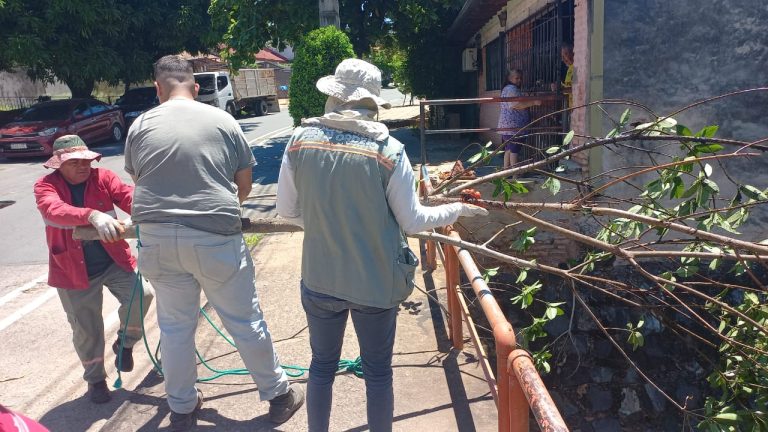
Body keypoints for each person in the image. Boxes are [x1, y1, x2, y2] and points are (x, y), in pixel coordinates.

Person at [276, 58, 488, 432]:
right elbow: (412, 221)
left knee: (321, 368)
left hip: (320, 279)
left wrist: (329, 226)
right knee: (377, 374)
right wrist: (458, 210)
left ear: (333, 95)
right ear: (371, 101)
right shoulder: (387, 151)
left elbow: (287, 211)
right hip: (373, 283)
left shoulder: (298, 141)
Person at [124, 55, 304, 431]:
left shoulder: (140, 125)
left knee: (174, 328)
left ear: (158, 89)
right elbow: (244, 185)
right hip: (213, 239)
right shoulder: (222, 120)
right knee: (243, 319)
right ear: (195, 86)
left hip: (156, 239)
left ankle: (182, 408)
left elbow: (140, 180)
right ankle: (278, 396)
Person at [33, 135, 153, 404]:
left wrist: (143, 211)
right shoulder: (45, 186)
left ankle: (125, 343)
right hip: (72, 269)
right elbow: (53, 210)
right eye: (74, 162)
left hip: (114, 260)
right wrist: (92, 215)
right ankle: (96, 380)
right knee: (87, 328)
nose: (83, 166)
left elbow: (128, 196)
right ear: (58, 165)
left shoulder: (104, 178)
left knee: (142, 295)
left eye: (86, 160)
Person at [497, 69, 543, 170]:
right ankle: (515, 175)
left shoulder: (506, 89)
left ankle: (505, 171)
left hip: (507, 125)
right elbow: (515, 104)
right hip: (514, 126)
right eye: (516, 78)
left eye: (520, 78)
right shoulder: (512, 89)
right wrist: (534, 102)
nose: (519, 80)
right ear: (509, 78)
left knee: (508, 149)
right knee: (514, 150)